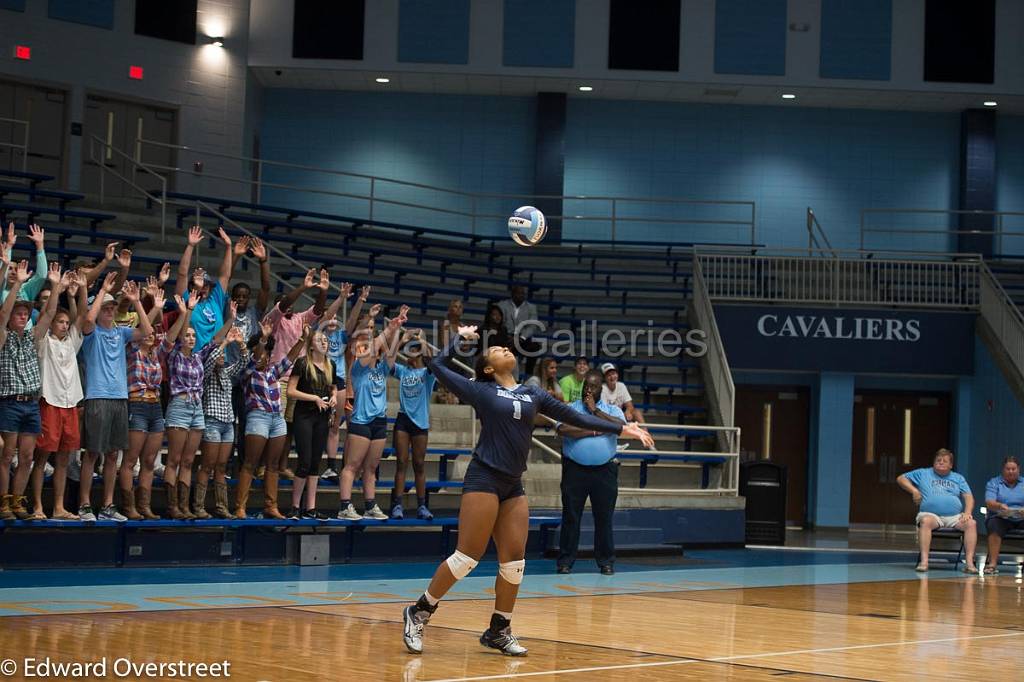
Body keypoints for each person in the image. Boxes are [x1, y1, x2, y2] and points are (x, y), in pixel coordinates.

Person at [400, 325, 653, 656]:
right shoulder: (482, 389)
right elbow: (437, 366)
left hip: (512, 483)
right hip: (484, 478)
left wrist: (623, 427)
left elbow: (575, 417)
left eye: (507, 349)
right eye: (496, 351)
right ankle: (419, 611)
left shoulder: (533, 394)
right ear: (488, 368)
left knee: (514, 563)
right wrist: (458, 339)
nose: (505, 350)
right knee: (466, 558)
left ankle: (499, 629)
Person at [79, 272, 153, 522]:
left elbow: (147, 330)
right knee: (92, 453)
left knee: (112, 454)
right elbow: (87, 321)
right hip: (97, 397)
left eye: (112, 307)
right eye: (106, 308)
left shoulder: (120, 333)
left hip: (120, 398)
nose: (110, 311)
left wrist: (137, 301)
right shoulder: (90, 333)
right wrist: (102, 292)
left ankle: (108, 506)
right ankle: (85, 505)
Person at [163, 296, 236, 519]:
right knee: (174, 459)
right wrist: (188, 312)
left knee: (188, 460)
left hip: (197, 409)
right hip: (179, 405)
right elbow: (172, 338)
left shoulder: (198, 357)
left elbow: (215, 340)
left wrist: (230, 319)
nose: (191, 338)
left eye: (194, 335)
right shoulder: (175, 355)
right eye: (188, 335)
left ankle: (185, 506)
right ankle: (172, 505)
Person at [0, 261, 62, 520]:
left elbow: (48, 315)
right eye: (19, 313)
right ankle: (3, 502)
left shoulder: (32, 336)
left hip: (30, 402)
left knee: (26, 456)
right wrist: (15, 285)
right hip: (10, 401)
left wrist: (56, 286)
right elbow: (3, 314)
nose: (23, 316)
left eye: (26, 313)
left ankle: (17, 501)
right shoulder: (3, 335)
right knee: (6, 455)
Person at [337, 305, 407, 520]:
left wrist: (397, 328)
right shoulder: (359, 367)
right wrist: (390, 328)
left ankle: (370, 505)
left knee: (371, 467)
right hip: (361, 420)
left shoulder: (382, 368)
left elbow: (392, 353)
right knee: (352, 465)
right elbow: (375, 345)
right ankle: (345, 506)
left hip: (379, 421)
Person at [556, 369, 625, 575]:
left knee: (604, 518)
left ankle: (606, 562)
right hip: (575, 471)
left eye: (593, 386)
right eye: (586, 385)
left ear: (600, 388)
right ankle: (565, 562)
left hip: (605, 471)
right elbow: (563, 430)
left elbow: (620, 427)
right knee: (571, 517)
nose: (588, 389)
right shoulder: (571, 409)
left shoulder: (612, 410)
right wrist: (595, 429)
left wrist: (595, 413)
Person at [235, 322, 307, 519]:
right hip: (257, 416)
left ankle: (271, 505)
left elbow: (290, 358)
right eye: (261, 352)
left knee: (273, 465)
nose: (263, 356)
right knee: (250, 463)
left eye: (267, 352)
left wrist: (303, 338)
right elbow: (254, 358)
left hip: (277, 418)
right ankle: (240, 507)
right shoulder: (247, 373)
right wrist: (263, 339)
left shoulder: (273, 372)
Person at [28, 269, 85, 520]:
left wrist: (79, 293)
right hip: (49, 402)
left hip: (70, 404)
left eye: (65, 322)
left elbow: (81, 317)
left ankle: (59, 507)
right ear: (51, 324)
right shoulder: (42, 342)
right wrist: (56, 290)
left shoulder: (71, 342)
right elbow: (48, 313)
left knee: (63, 459)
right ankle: (38, 506)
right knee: (41, 459)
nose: (64, 324)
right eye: (60, 322)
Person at [262, 267, 328, 479]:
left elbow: (318, 310)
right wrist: (302, 287)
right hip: (277, 379)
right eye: (285, 302)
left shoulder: (300, 318)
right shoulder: (273, 319)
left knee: (289, 427)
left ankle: (281, 465)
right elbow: (282, 304)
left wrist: (323, 291)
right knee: (274, 425)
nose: (289, 305)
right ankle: (265, 465)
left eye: (292, 303)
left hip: (298, 380)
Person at [123, 282, 171, 520]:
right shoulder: (132, 348)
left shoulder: (156, 353)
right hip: (137, 404)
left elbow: (164, 332)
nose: (152, 335)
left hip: (155, 406)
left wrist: (157, 301)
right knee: (131, 459)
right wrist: (139, 302)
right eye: (148, 332)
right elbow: (147, 327)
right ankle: (128, 504)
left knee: (150, 461)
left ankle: (144, 505)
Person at [196, 325, 249, 519]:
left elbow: (244, 361)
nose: (221, 356)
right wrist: (225, 341)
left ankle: (221, 506)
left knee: (221, 466)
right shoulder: (205, 372)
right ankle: (199, 506)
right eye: (218, 354)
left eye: (222, 354)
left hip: (227, 424)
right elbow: (210, 360)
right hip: (212, 421)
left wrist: (241, 342)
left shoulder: (226, 372)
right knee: (207, 465)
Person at [897, 448, 978, 573]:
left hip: (954, 517)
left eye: (944, 461)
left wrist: (967, 513)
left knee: (971, 524)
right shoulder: (923, 473)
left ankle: (969, 564)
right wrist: (914, 491)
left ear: (951, 465)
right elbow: (901, 478)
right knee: (925, 521)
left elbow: (968, 497)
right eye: (938, 460)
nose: (940, 462)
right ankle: (924, 562)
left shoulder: (958, 478)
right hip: (931, 515)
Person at [227, 237, 270, 469]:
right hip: (227, 378)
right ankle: (224, 464)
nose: (241, 299)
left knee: (246, 422)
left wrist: (263, 261)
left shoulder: (255, 312)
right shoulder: (227, 311)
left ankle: (243, 465)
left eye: (244, 296)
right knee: (227, 422)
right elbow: (224, 283)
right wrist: (236, 255)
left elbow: (265, 288)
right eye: (237, 296)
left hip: (249, 380)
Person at [317, 282, 364, 481]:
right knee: (320, 425)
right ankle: (314, 463)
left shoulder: (342, 336)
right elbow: (327, 316)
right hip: (321, 378)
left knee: (335, 426)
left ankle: (331, 466)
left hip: (340, 380)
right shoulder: (319, 334)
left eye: (336, 317)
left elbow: (353, 320)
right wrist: (341, 297)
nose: (334, 319)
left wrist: (360, 300)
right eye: (331, 316)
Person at [287, 328, 336, 520]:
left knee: (315, 462)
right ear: (311, 345)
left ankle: (310, 507)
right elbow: (290, 391)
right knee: (304, 461)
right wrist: (314, 398)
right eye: (319, 339)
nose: (324, 342)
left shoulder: (330, 364)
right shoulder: (302, 363)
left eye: (325, 340)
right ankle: (294, 506)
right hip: (304, 416)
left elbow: (333, 387)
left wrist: (333, 397)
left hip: (322, 417)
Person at [389, 329, 436, 521]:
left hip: (420, 423)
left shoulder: (427, 374)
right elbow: (388, 361)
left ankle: (422, 506)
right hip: (403, 420)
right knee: (401, 463)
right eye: (410, 349)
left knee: (419, 464)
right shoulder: (402, 370)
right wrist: (402, 339)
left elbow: (433, 362)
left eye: (414, 348)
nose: (411, 351)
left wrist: (422, 340)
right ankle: (397, 505)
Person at [174, 225, 242, 351]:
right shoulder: (186, 301)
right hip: (195, 360)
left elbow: (225, 276)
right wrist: (190, 246)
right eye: (201, 284)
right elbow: (182, 274)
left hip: (218, 360)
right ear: (191, 286)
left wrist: (228, 247)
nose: (204, 288)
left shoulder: (215, 300)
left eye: (207, 285)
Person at [983, 456, 1024, 574]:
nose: (1011, 471)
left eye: (1013, 469)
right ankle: (992, 564)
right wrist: (1000, 506)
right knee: (994, 524)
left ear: (1018, 469)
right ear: (1003, 469)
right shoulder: (994, 483)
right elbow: (989, 502)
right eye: (1008, 469)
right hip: (1001, 517)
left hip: (1021, 517)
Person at [497, 285, 541, 376]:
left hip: (522, 338)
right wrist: (508, 336)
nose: (521, 295)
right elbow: (500, 322)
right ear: (513, 294)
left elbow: (532, 326)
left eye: (523, 293)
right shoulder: (502, 305)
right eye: (518, 293)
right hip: (506, 336)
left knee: (535, 347)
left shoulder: (531, 307)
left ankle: (528, 375)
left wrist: (521, 338)